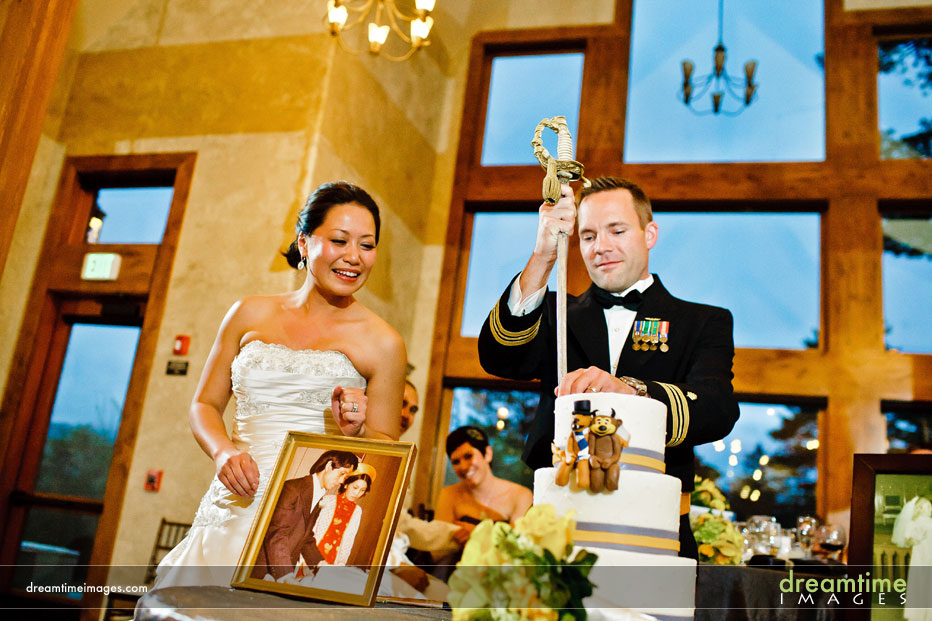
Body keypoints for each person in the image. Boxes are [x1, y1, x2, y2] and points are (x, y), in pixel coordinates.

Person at [155, 181, 406, 587]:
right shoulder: (249, 312)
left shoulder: (383, 343)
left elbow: (386, 453)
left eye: (367, 244)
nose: (354, 257)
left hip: (305, 518)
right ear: (304, 243)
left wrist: (356, 433)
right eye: (340, 240)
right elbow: (204, 404)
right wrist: (222, 454)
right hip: (235, 500)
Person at [477, 176, 740, 559]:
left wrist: (632, 392)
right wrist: (544, 256)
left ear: (649, 234)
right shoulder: (555, 313)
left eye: (617, 230)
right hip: (555, 526)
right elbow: (499, 357)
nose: (601, 247)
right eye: (587, 236)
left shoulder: (702, 321)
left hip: (655, 532)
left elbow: (717, 408)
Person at [250, 450, 358, 580]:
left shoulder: (317, 495)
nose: (341, 481)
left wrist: (319, 564)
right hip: (267, 569)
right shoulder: (293, 488)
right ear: (329, 466)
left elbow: (306, 537)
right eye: (342, 474)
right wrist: (286, 576)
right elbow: (277, 534)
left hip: (284, 567)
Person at [435, 426, 533, 530]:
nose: (463, 467)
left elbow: (519, 542)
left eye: (468, 456)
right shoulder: (449, 494)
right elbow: (440, 539)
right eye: (456, 462)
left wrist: (476, 534)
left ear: (487, 454)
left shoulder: (520, 496)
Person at [310, 464, 375, 567]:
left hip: (333, 559)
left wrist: (341, 562)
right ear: (346, 485)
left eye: (362, 490)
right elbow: (313, 528)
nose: (357, 493)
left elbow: (349, 538)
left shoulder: (357, 511)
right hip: (313, 552)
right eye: (355, 487)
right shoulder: (327, 500)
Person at [893, 496, 932, 620]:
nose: (931, 508)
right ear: (920, 509)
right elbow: (909, 539)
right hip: (922, 555)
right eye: (928, 506)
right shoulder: (914, 523)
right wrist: (913, 539)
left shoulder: (929, 521)